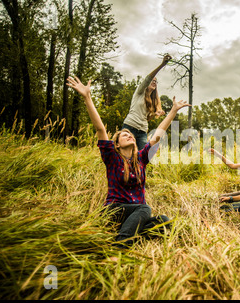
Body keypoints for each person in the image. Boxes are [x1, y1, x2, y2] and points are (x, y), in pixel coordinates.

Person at [67, 75, 190, 248]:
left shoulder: (141, 159)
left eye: (131, 134)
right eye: (125, 135)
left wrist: (173, 111)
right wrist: (87, 97)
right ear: (116, 144)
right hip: (114, 210)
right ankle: (120, 244)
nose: (130, 135)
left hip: (135, 213)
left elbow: (156, 136)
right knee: (145, 208)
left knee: (163, 221)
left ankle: (128, 232)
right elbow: (100, 128)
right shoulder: (112, 157)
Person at [122, 54, 172, 150]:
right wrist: (162, 65)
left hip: (142, 131)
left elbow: (147, 118)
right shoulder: (139, 92)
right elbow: (147, 79)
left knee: (143, 156)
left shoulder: (154, 100)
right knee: (125, 153)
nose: (154, 82)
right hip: (130, 126)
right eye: (152, 80)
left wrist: (155, 114)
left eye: (156, 81)